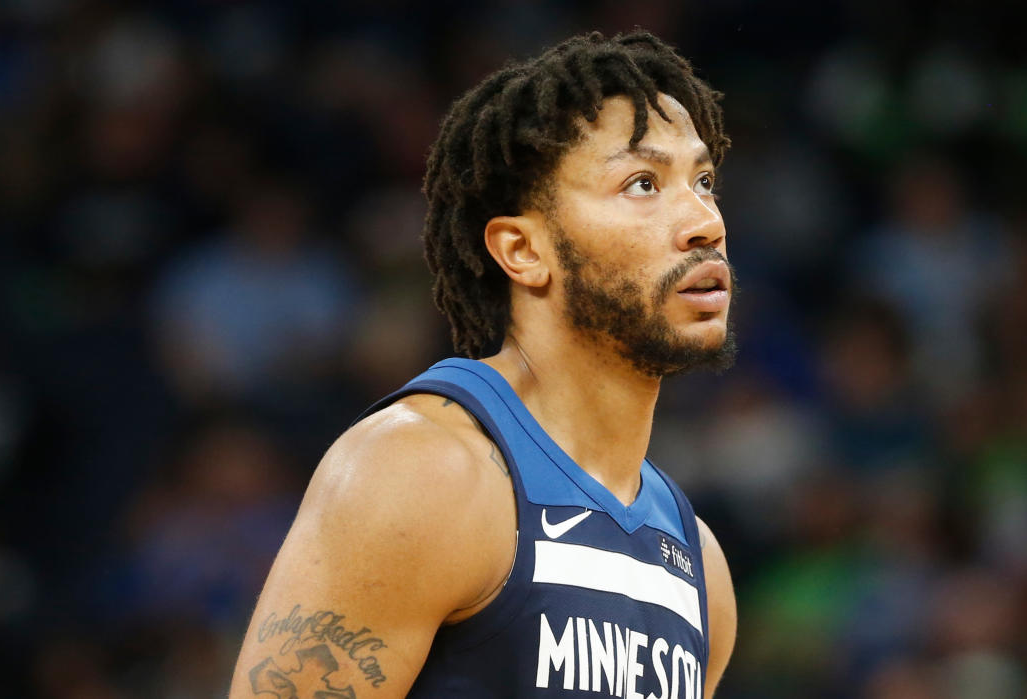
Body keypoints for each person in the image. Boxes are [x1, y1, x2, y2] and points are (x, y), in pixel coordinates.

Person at [229, 31, 737, 699]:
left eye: (703, 181)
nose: (705, 221)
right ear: (524, 250)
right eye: (642, 183)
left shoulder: (696, 563)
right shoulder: (426, 470)